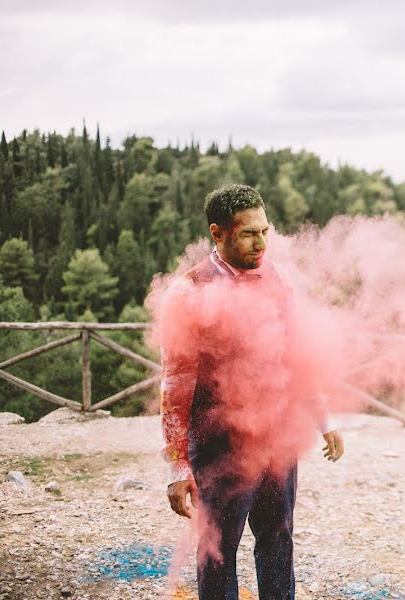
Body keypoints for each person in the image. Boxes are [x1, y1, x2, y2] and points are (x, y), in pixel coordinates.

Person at [158, 184, 345, 600]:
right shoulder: (188, 292)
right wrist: (177, 466)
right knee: (219, 550)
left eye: (265, 231)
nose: (262, 242)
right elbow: (174, 390)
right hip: (219, 443)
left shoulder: (277, 280)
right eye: (248, 233)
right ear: (217, 233)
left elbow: (297, 355)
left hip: (278, 438)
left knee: (278, 542)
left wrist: (324, 419)